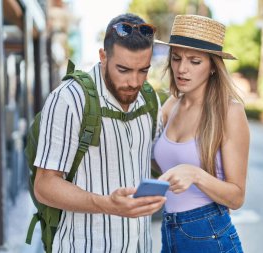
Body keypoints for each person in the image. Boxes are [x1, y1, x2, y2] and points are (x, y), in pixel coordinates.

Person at [33, 13, 166, 252]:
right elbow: (44, 185)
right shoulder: (68, 99)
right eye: (123, 70)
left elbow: (154, 161)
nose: (134, 82)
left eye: (143, 70)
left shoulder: (149, 98)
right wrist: (106, 204)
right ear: (103, 57)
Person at [153, 14, 250, 252]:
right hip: (169, 231)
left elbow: (236, 198)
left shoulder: (229, 112)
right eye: (176, 58)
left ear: (213, 67)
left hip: (209, 234)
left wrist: (196, 175)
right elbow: (166, 166)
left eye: (195, 61)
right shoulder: (170, 106)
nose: (182, 69)